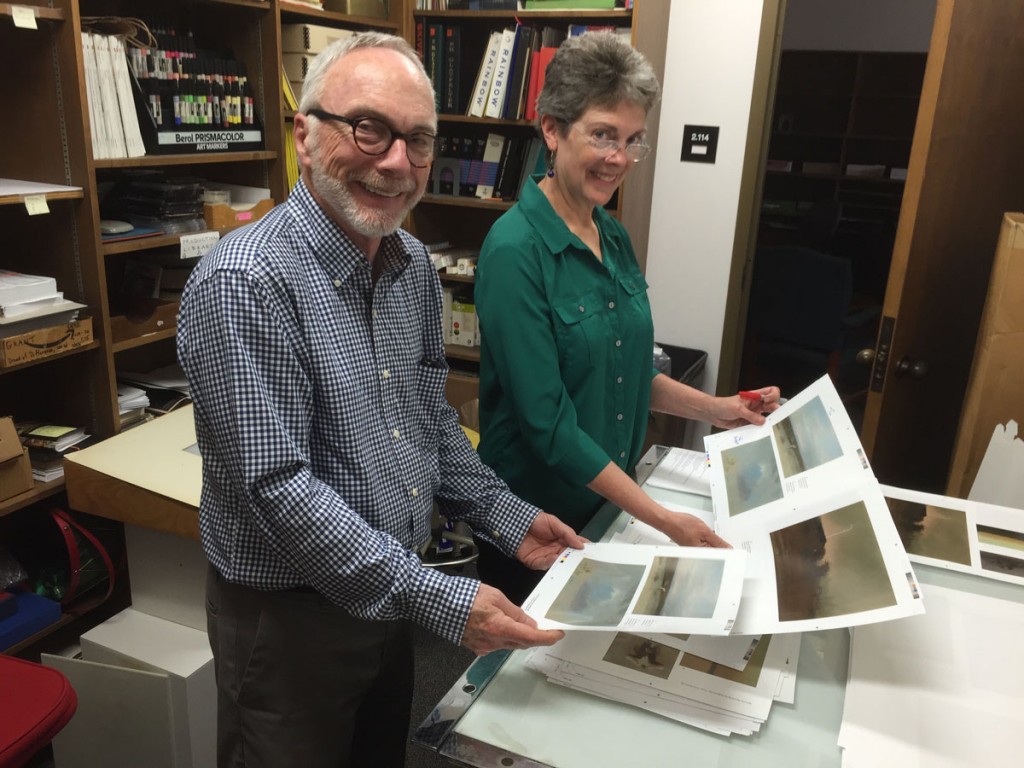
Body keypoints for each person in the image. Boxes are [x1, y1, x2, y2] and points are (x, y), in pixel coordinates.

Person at [177, 32, 584, 768]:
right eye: (369, 128)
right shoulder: (245, 283)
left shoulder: (412, 267)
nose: (396, 162)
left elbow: (428, 426)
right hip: (290, 620)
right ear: (304, 132)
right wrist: (437, 597)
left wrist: (509, 519)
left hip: (388, 594)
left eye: (419, 141)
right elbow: (279, 491)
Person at [474, 31, 781, 605]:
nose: (619, 158)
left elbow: (625, 371)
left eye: (634, 140)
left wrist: (721, 411)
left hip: (607, 504)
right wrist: (665, 520)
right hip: (538, 525)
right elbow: (549, 426)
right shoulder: (515, 250)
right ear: (551, 128)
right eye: (603, 135)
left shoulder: (610, 234)